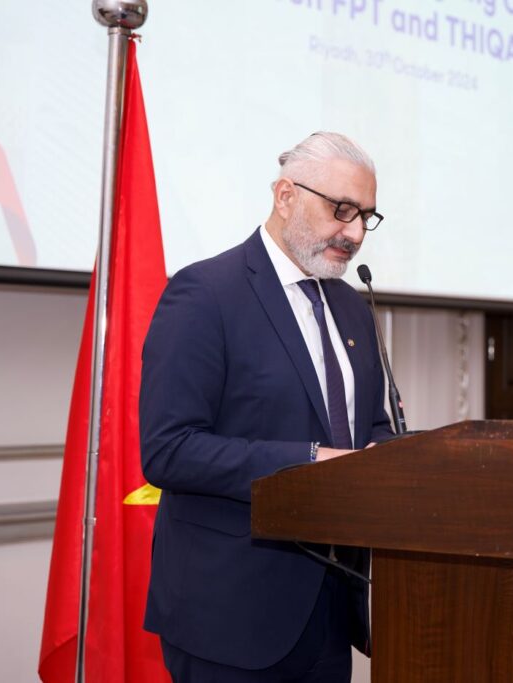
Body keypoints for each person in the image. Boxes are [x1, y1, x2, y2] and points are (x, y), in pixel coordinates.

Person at [139, 132, 394, 682]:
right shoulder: (205, 294)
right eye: (342, 209)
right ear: (285, 196)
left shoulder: (352, 306)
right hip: (230, 614)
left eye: (365, 217)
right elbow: (169, 450)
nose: (354, 233)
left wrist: (397, 456)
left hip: (330, 611)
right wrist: (310, 460)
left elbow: (371, 427)